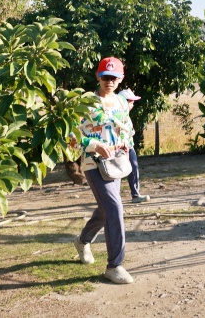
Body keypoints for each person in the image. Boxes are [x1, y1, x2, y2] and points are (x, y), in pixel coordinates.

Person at [71, 56, 136, 285]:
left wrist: (126, 141)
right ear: (98, 77)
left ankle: (82, 240)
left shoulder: (120, 102)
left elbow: (128, 128)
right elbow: (71, 137)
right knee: (114, 206)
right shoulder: (85, 103)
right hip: (93, 164)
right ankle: (114, 265)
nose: (110, 81)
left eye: (114, 77)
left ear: (120, 79)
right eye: (105, 77)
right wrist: (94, 145)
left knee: (105, 209)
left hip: (116, 164)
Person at [121, 90, 150, 203]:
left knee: (133, 167)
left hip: (129, 146)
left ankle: (135, 195)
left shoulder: (126, 116)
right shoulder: (118, 115)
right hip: (120, 148)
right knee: (117, 172)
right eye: (131, 102)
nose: (132, 104)